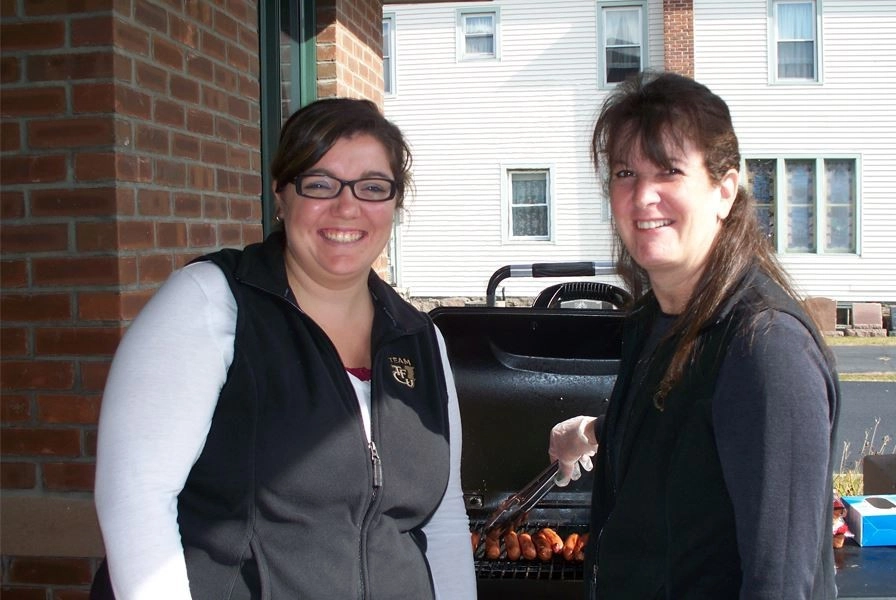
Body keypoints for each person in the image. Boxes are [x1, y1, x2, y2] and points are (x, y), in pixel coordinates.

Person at [93, 98, 477, 599]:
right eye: (319, 184)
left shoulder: (421, 339)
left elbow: (443, 520)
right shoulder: (210, 302)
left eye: (373, 187)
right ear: (281, 194)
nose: (347, 206)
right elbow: (136, 498)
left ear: (394, 204)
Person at [548, 72, 840, 599]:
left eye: (669, 171)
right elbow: (684, 429)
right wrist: (592, 433)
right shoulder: (654, 321)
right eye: (624, 172)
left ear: (723, 191)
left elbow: (778, 583)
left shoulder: (766, 349)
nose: (643, 196)